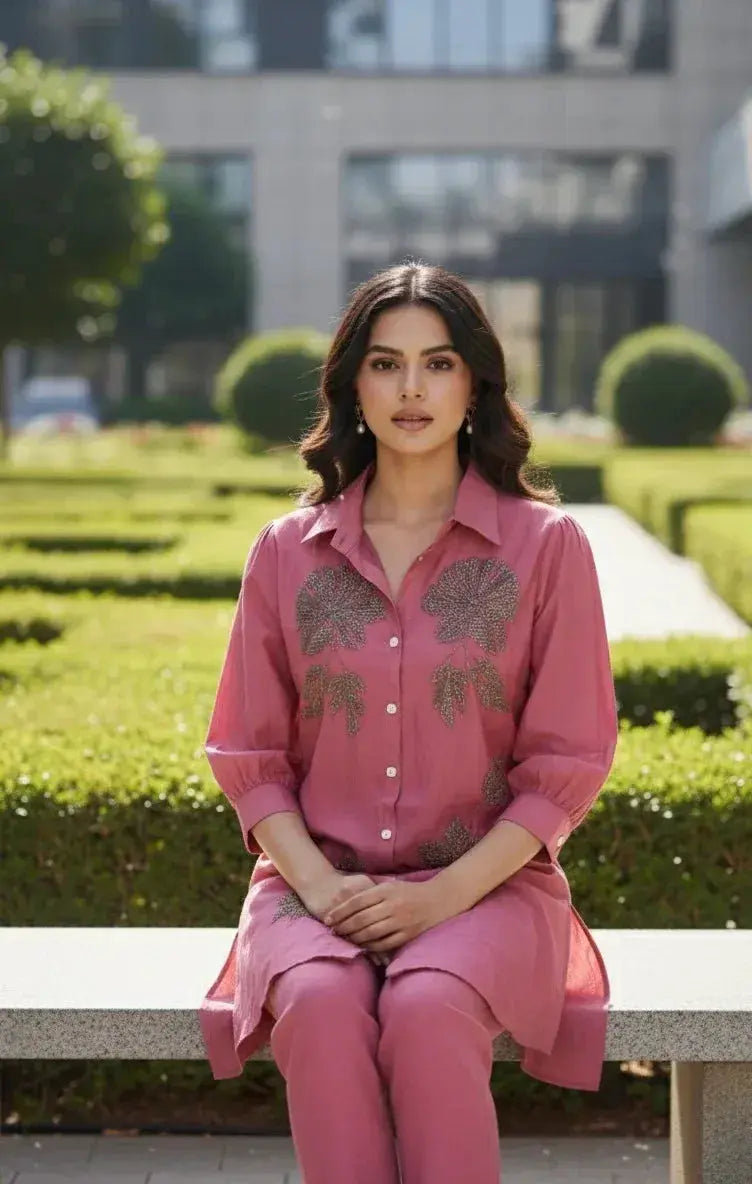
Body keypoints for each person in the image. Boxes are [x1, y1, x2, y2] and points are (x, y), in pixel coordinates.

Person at [198, 261, 619, 1183]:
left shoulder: (547, 549)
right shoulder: (285, 552)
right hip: (319, 883)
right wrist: (316, 889)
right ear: (354, 384)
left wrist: (437, 899)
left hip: (489, 888)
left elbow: (568, 763)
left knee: (429, 1006)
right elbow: (249, 751)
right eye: (387, 365)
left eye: (439, 364)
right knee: (314, 998)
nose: (413, 389)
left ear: (475, 385)